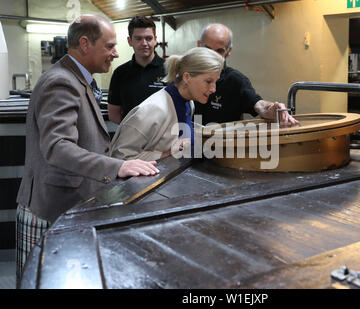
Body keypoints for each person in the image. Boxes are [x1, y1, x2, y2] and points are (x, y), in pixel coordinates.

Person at [15, 15, 159, 282]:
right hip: (50, 209)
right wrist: (118, 166)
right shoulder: (61, 82)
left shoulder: (81, 79)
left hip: (68, 205)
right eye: (109, 46)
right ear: (84, 44)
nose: (116, 53)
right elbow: (58, 147)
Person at [109, 47, 224, 161]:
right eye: (208, 81)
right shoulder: (153, 110)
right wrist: (168, 153)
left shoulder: (189, 103)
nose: (213, 89)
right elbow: (119, 156)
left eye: (215, 82)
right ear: (187, 77)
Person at [195, 23, 298, 126]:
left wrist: (272, 109)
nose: (212, 56)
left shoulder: (236, 81)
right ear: (199, 45)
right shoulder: (186, 75)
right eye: (208, 49)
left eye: (219, 51)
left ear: (228, 51)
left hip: (221, 141)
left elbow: (258, 104)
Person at [108, 16, 166, 124]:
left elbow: (181, 109)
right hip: (131, 139)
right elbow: (113, 113)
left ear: (155, 40)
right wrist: (133, 132)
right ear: (130, 41)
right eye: (138, 39)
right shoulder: (120, 73)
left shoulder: (169, 70)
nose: (144, 43)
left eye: (148, 38)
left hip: (163, 138)